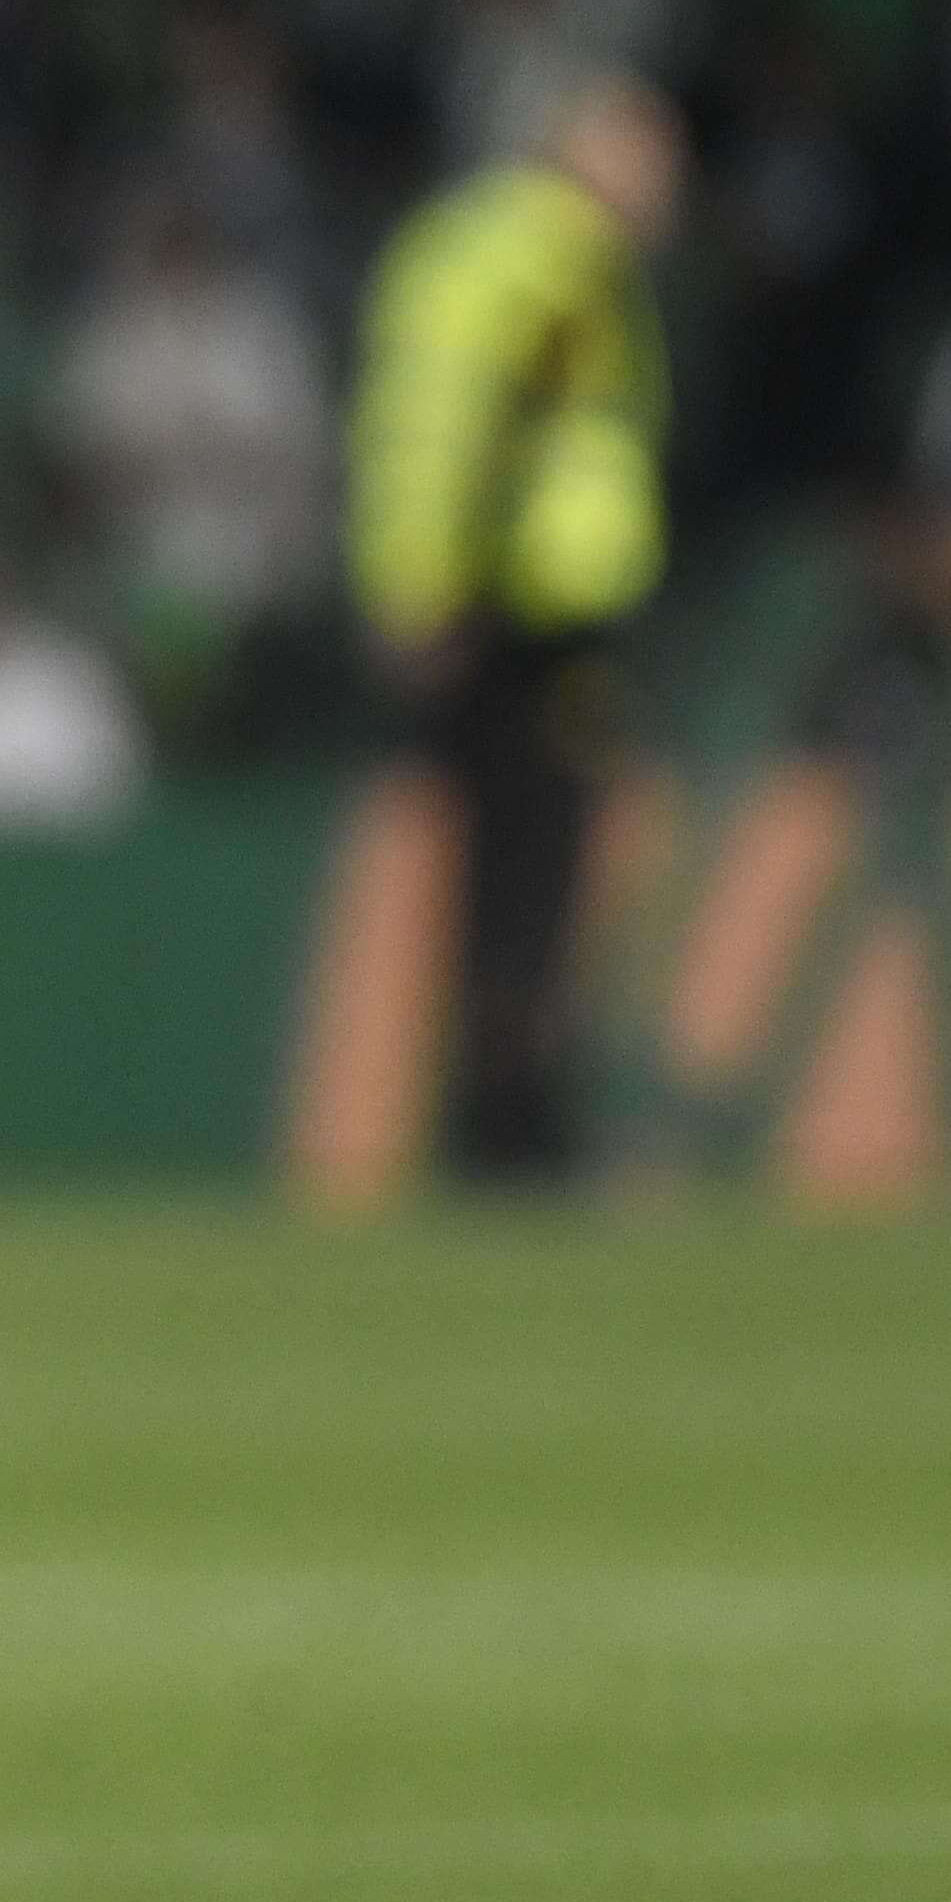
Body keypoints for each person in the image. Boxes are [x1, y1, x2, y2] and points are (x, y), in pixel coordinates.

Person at [344, 73, 684, 1181]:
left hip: (515, 600)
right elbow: (455, 431)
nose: (666, 181)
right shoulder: (551, 268)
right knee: (534, 874)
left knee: (510, 870)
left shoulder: (491, 250)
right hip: (524, 609)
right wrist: (424, 584)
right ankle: (513, 1128)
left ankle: (499, 1122)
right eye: (646, 151)